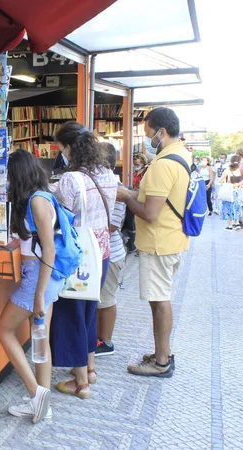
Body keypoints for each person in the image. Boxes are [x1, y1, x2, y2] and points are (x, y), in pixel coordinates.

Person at [116, 107, 190, 377]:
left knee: (160, 302)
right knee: (160, 300)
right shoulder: (181, 155)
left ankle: (161, 361)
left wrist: (126, 197)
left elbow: (149, 212)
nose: (147, 139)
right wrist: (133, 193)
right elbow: (156, 198)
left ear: (161, 131)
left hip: (159, 243)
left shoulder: (162, 164)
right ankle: (163, 351)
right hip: (172, 239)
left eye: (148, 133)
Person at [51, 121, 117, 399]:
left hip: (77, 257)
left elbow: (59, 217)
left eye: (61, 148)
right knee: (88, 311)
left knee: (71, 314)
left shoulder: (70, 180)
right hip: (100, 253)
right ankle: (89, 368)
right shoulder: (108, 174)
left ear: (69, 148)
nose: (61, 153)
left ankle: (80, 383)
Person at [0, 149, 62, 423]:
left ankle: (36, 394)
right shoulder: (42, 196)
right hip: (45, 277)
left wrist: (37, 296)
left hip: (39, 276)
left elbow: (49, 251)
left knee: (4, 329)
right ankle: (42, 403)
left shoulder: (36, 202)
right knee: (40, 338)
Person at [96, 142, 127, 357]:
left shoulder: (116, 188)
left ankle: (106, 341)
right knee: (100, 298)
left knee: (106, 298)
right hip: (102, 251)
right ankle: (100, 337)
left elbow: (113, 225)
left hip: (111, 252)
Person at [219, 155, 242, 230]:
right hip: (237, 191)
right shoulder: (240, 170)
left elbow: (221, 180)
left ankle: (230, 225)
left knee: (228, 207)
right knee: (237, 207)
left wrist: (224, 182)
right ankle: (237, 223)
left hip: (229, 191)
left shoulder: (227, 171)